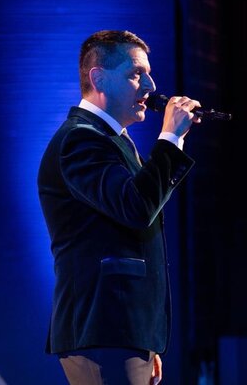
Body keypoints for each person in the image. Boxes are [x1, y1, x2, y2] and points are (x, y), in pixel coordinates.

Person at [37, 30, 202, 384]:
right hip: (103, 330)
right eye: (136, 74)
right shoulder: (80, 139)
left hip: (122, 333)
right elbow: (136, 207)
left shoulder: (112, 141)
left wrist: (145, 341)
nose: (150, 86)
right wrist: (170, 138)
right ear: (98, 78)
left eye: (149, 74)